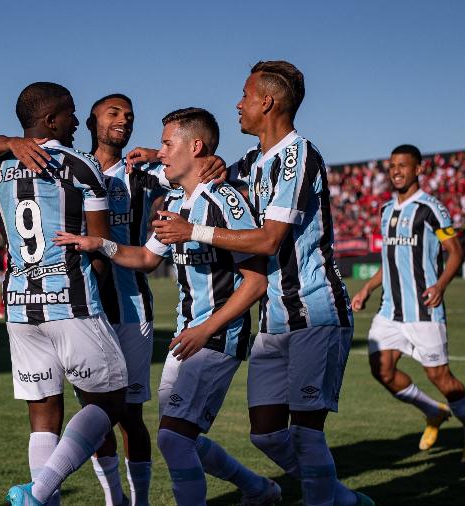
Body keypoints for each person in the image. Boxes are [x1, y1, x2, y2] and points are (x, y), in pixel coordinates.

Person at [140, 61, 369, 505]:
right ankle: (340, 497)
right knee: (265, 435)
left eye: (245, 96)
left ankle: (328, 500)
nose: (238, 105)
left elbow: (269, 240)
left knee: (305, 433)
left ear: (267, 101)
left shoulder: (300, 155)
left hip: (315, 310)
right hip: (274, 319)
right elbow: (207, 172)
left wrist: (193, 232)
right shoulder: (248, 163)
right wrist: (163, 156)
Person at [55, 107, 279, 506]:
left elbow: (256, 281)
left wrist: (206, 329)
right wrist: (99, 244)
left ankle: (261, 488)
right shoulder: (174, 201)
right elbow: (145, 258)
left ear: (195, 147)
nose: (160, 151)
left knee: (173, 439)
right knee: (181, 437)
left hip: (217, 336)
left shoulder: (225, 199)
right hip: (186, 335)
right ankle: (257, 488)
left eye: (166, 143)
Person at [0, 93, 170, 505]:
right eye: (113, 112)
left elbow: (199, 170)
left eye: (129, 115)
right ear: (83, 121)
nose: (124, 119)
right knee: (105, 405)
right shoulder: (78, 164)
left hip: (111, 306)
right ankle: (105, 498)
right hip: (79, 305)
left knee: (116, 416)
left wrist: (173, 156)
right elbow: (98, 249)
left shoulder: (146, 171)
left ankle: (128, 501)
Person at [351, 144, 465, 463]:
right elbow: (390, 260)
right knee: (381, 368)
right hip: (390, 311)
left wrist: (440, 285)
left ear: (418, 169)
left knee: (442, 379)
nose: (396, 170)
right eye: (392, 166)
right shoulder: (385, 211)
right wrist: (367, 288)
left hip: (424, 310)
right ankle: (432, 412)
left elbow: (455, 251)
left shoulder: (430, 208)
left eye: (403, 165)